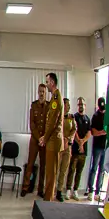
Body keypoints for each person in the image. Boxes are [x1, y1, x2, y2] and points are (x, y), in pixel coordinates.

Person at [21, 83, 48, 197]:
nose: (41, 93)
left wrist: (44, 138)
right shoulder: (34, 105)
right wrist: (39, 137)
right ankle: (25, 187)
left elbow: (50, 124)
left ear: (46, 93)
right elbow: (32, 124)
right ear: (38, 92)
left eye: (43, 92)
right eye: (40, 91)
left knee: (43, 165)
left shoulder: (50, 106)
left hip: (45, 140)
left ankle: (41, 190)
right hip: (35, 139)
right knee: (30, 164)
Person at [41, 73, 64, 202]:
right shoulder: (55, 97)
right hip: (51, 139)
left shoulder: (56, 97)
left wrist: (45, 137)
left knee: (51, 173)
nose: (46, 84)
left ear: (53, 83)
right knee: (49, 172)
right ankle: (47, 199)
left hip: (54, 140)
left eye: (47, 82)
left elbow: (53, 122)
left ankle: (48, 201)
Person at [67, 97, 91, 200]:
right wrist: (79, 143)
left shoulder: (87, 119)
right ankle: (68, 189)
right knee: (71, 170)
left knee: (79, 171)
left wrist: (83, 143)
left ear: (85, 105)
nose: (81, 106)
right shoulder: (74, 117)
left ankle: (75, 190)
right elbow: (74, 131)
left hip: (83, 151)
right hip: (75, 149)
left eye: (82, 104)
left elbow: (89, 133)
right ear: (77, 106)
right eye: (79, 104)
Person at [86, 97, 107, 200]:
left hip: (105, 147)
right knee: (94, 168)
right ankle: (91, 190)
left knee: (102, 170)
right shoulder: (95, 116)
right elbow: (93, 132)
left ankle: (97, 192)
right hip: (97, 147)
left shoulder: (107, 116)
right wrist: (102, 132)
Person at [56, 99, 77, 201]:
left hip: (68, 147)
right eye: (65, 105)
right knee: (55, 169)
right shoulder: (58, 116)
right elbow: (56, 129)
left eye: (68, 105)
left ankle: (59, 191)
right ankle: (52, 190)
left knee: (63, 170)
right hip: (59, 146)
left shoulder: (71, 117)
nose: (67, 107)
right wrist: (62, 138)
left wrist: (68, 139)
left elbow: (74, 130)